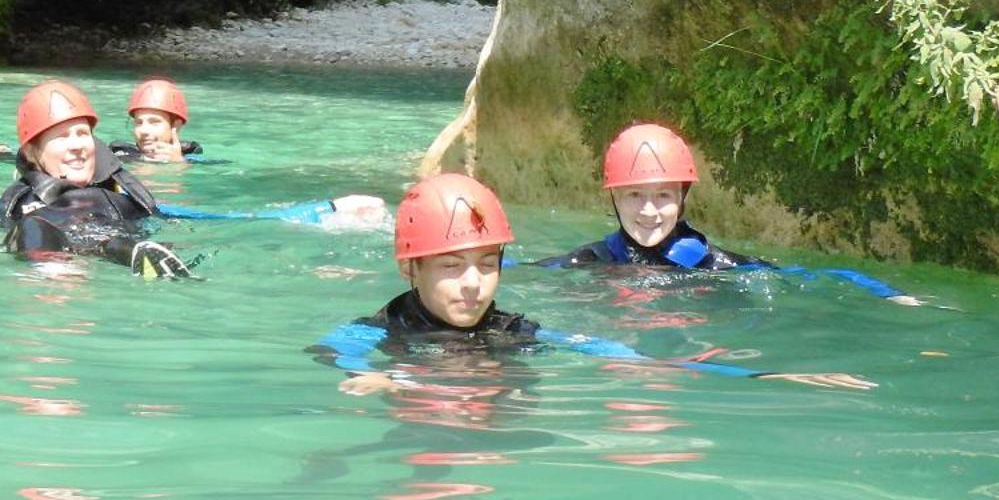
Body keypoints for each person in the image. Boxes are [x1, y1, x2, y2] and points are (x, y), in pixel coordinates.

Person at [317, 173, 875, 390]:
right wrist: (370, 377)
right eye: (450, 265)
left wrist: (769, 373)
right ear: (410, 269)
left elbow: (619, 354)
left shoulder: (517, 330)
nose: (473, 285)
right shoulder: (385, 330)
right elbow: (334, 350)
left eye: (488, 265)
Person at [0, 79, 388, 277]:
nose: (80, 144)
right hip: (47, 252)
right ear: (33, 150)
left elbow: (219, 218)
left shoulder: (125, 190)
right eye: (64, 136)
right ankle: (118, 259)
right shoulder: (19, 201)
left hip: (129, 241)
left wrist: (323, 209)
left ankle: (139, 257)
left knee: (139, 240)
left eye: (85, 133)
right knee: (47, 236)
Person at [535, 122, 918, 301]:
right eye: (634, 195)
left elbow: (816, 277)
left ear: (683, 198)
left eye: (664, 196)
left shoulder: (712, 264)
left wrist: (889, 294)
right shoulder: (590, 259)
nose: (649, 211)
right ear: (613, 199)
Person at [111, 77, 203, 163]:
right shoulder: (118, 156)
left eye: (154, 122)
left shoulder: (192, 159)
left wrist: (178, 162)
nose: (143, 130)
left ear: (176, 126)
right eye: (138, 123)